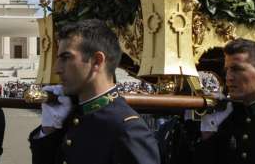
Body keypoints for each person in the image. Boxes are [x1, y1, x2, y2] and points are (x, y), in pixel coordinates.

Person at [28, 19, 160, 164]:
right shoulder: (70, 118)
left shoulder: (127, 130)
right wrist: (49, 130)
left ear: (97, 61)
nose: (56, 69)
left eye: (66, 58)